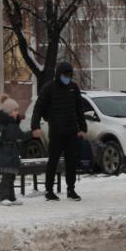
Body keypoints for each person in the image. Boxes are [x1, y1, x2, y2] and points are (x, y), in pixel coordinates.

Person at [30, 61, 87, 201]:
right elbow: (38, 108)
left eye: (69, 75)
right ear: (58, 74)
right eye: (65, 75)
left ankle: (71, 189)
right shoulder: (49, 88)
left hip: (72, 131)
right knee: (53, 161)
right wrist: (35, 126)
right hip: (56, 132)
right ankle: (49, 191)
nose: (67, 77)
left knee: (71, 161)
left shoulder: (74, 88)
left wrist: (83, 127)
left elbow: (79, 109)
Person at [0, 94, 24, 206]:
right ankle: (4, 197)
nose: (17, 112)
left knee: (11, 176)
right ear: (8, 112)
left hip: (12, 152)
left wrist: (32, 134)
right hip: (4, 153)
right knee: (6, 177)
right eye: (14, 110)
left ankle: (12, 197)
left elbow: (20, 135)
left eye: (17, 110)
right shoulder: (2, 123)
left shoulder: (14, 124)